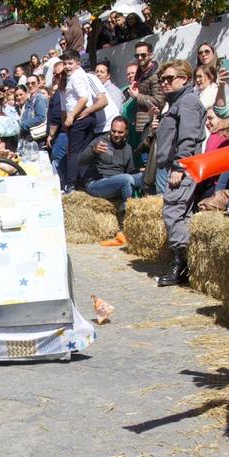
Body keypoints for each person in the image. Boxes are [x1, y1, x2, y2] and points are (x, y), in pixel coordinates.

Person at [153, 61, 204, 288]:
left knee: (173, 211)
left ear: (184, 78)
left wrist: (180, 167)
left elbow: (188, 137)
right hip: (176, 165)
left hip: (183, 167)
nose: (164, 82)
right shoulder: (176, 102)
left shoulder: (188, 101)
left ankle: (180, 266)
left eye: (169, 78)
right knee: (180, 213)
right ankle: (184, 263)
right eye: (162, 79)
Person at [59, 49, 109, 192]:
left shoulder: (76, 77)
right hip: (86, 118)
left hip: (80, 118)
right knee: (84, 152)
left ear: (77, 63)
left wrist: (71, 116)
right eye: (65, 63)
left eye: (70, 63)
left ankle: (71, 184)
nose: (67, 66)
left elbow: (84, 98)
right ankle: (84, 181)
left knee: (73, 152)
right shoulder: (76, 76)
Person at [82, 115, 143, 214]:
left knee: (143, 177)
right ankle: (128, 213)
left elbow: (130, 172)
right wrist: (93, 151)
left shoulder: (128, 149)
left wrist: (139, 170)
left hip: (117, 181)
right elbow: (81, 161)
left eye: (120, 132)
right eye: (113, 131)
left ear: (126, 132)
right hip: (97, 184)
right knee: (126, 179)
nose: (116, 134)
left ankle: (148, 210)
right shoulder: (100, 142)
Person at [131, 42, 165, 194]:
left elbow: (159, 101)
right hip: (142, 124)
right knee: (145, 168)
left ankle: (153, 198)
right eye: (137, 55)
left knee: (150, 168)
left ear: (151, 54)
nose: (140, 58)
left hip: (150, 126)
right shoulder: (141, 72)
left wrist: (137, 96)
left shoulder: (155, 75)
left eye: (143, 55)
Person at [93, 60, 125, 128]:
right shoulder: (94, 89)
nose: (98, 74)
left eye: (102, 72)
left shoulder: (114, 91)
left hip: (108, 128)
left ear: (108, 76)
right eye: (97, 72)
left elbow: (117, 112)